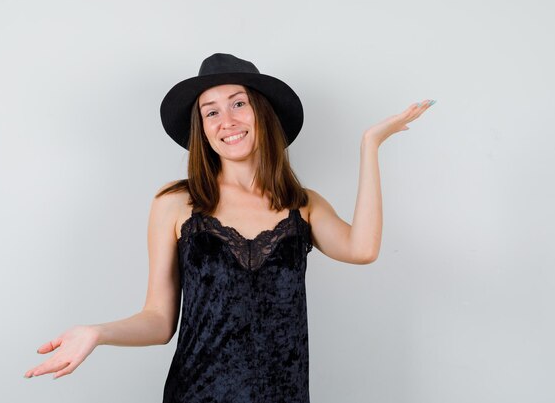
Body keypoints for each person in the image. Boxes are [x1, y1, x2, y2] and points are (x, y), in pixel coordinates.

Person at [24, 53, 435, 402]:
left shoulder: (302, 205)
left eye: (238, 104)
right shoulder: (174, 204)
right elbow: (159, 319)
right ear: (202, 129)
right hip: (197, 391)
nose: (227, 120)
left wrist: (370, 146)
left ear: (261, 112)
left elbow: (362, 248)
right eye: (212, 112)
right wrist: (97, 332)